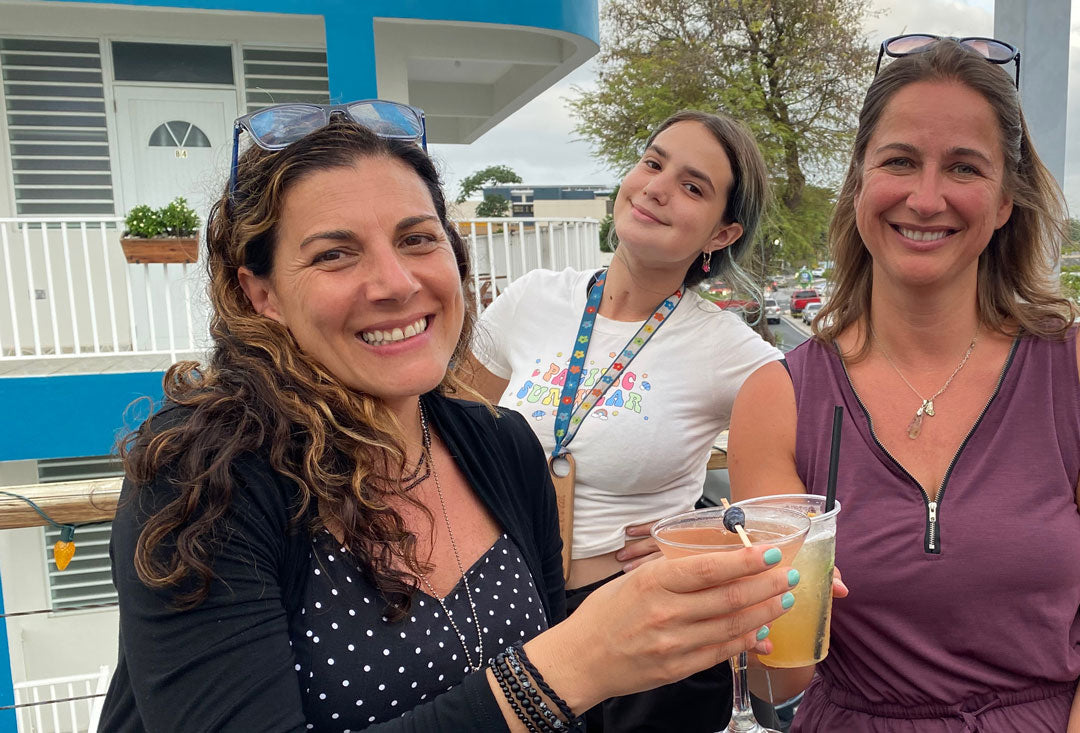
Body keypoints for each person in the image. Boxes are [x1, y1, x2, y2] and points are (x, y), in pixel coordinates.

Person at [97, 110, 803, 732]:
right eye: (335, 253)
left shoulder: (499, 447)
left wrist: (710, 543)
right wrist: (571, 664)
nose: (398, 283)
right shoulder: (201, 481)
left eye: (416, 239)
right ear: (260, 292)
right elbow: (553, 680)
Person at [728, 37, 1080, 732]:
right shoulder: (778, 398)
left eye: (964, 167)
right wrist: (745, 626)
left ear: (1006, 200)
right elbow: (781, 676)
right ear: (859, 184)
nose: (925, 196)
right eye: (900, 161)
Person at [460, 110, 784, 731]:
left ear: (721, 234)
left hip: (650, 635)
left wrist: (714, 528)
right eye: (653, 162)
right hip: (515, 612)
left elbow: (793, 505)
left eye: (693, 187)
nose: (657, 187)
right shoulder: (532, 298)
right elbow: (452, 443)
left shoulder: (729, 350)